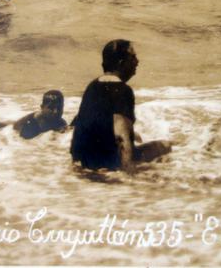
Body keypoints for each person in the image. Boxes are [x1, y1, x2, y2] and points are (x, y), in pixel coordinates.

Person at [70, 39, 172, 173]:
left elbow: (85, 122)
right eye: (133, 57)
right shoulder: (123, 90)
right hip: (106, 163)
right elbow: (121, 137)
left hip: (82, 161)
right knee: (166, 146)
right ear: (121, 62)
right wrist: (128, 176)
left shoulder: (92, 86)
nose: (137, 61)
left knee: (136, 136)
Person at [0, 90, 68, 139]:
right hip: (19, 127)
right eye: (51, 108)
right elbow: (19, 138)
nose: (56, 112)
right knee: (9, 125)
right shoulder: (34, 121)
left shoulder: (61, 122)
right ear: (42, 107)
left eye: (59, 108)